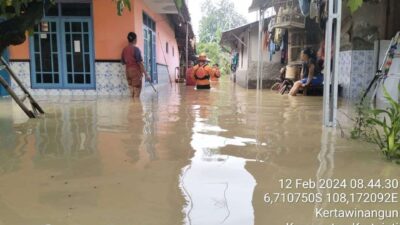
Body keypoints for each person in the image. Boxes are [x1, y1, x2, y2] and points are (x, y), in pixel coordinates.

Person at [121, 32, 151, 98]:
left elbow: (123, 62)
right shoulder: (136, 49)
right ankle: (136, 108)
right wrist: (146, 75)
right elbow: (140, 63)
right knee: (136, 96)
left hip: (128, 72)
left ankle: (132, 108)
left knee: (132, 95)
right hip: (136, 73)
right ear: (135, 40)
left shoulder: (124, 50)